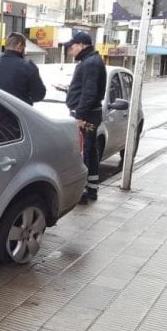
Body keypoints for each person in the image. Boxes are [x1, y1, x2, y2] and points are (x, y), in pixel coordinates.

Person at [63, 31, 106, 204]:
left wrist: (79, 115)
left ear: (81, 45)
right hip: (89, 113)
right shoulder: (90, 61)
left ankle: (83, 192)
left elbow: (89, 92)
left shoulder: (90, 63)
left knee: (84, 153)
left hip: (86, 116)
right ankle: (91, 188)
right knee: (89, 151)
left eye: (72, 47)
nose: (71, 51)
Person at [0, 32, 46, 105]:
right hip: (19, 113)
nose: (25, 51)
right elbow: (39, 95)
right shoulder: (28, 67)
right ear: (19, 45)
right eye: (24, 47)